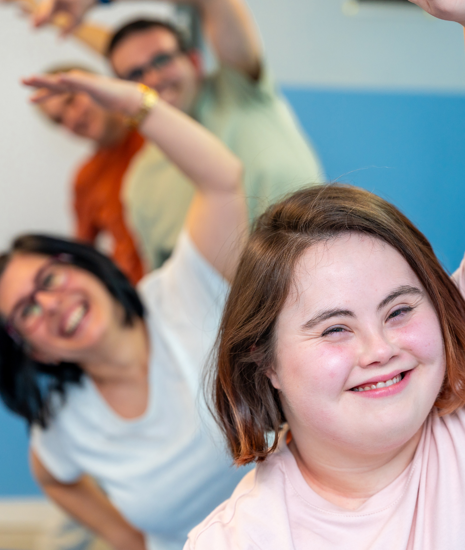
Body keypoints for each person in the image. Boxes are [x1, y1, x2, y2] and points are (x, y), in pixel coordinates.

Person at [185, 0, 465, 548]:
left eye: (400, 310)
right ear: (265, 362)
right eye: (334, 328)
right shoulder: (241, 539)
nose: (379, 349)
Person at [0, 70, 248, 550]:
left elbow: (223, 179)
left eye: (49, 279)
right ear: (34, 351)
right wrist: (127, 539)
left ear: (89, 266)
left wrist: (137, 102)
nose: (51, 304)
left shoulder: (186, 288)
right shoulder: (63, 421)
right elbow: (54, 479)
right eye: (27, 311)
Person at [27, 0, 325, 270]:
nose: (153, 78)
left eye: (161, 61)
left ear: (194, 61)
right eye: (135, 75)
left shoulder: (239, 92)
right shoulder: (140, 185)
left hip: (326, 269)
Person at [37, 65, 146, 284]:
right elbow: (82, 254)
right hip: (141, 292)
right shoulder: (86, 178)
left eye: (71, 101)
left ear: (97, 85)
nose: (72, 119)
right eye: (59, 120)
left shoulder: (155, 127)